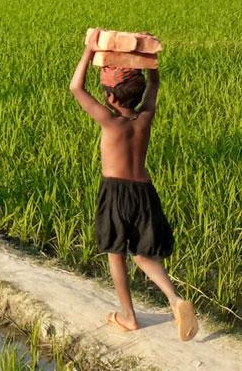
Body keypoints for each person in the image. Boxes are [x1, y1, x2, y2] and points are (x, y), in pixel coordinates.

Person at [70, 29, 198, 341]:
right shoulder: (145, 117)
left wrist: (89, 50)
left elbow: (76, 87)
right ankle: (175, 298)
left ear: (110, 97)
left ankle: (129, 316)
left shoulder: (109, 121)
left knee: (117, 254)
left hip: (115, 192)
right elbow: (154, 83)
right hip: (144, 191)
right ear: (137, 95)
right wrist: (147, 58)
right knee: (143, 255)